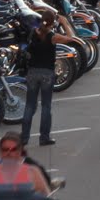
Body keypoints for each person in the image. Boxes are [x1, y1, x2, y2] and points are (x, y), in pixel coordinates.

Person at [19, 16, 75, 148]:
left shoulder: (33, 33)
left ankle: (24, 137)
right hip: (47, 73)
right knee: (46, 106)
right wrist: (64, 22)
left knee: (29, 106)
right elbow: (71, 38)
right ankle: (44, 137)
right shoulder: (52, 37)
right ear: (52, 23)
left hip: (32, 72)